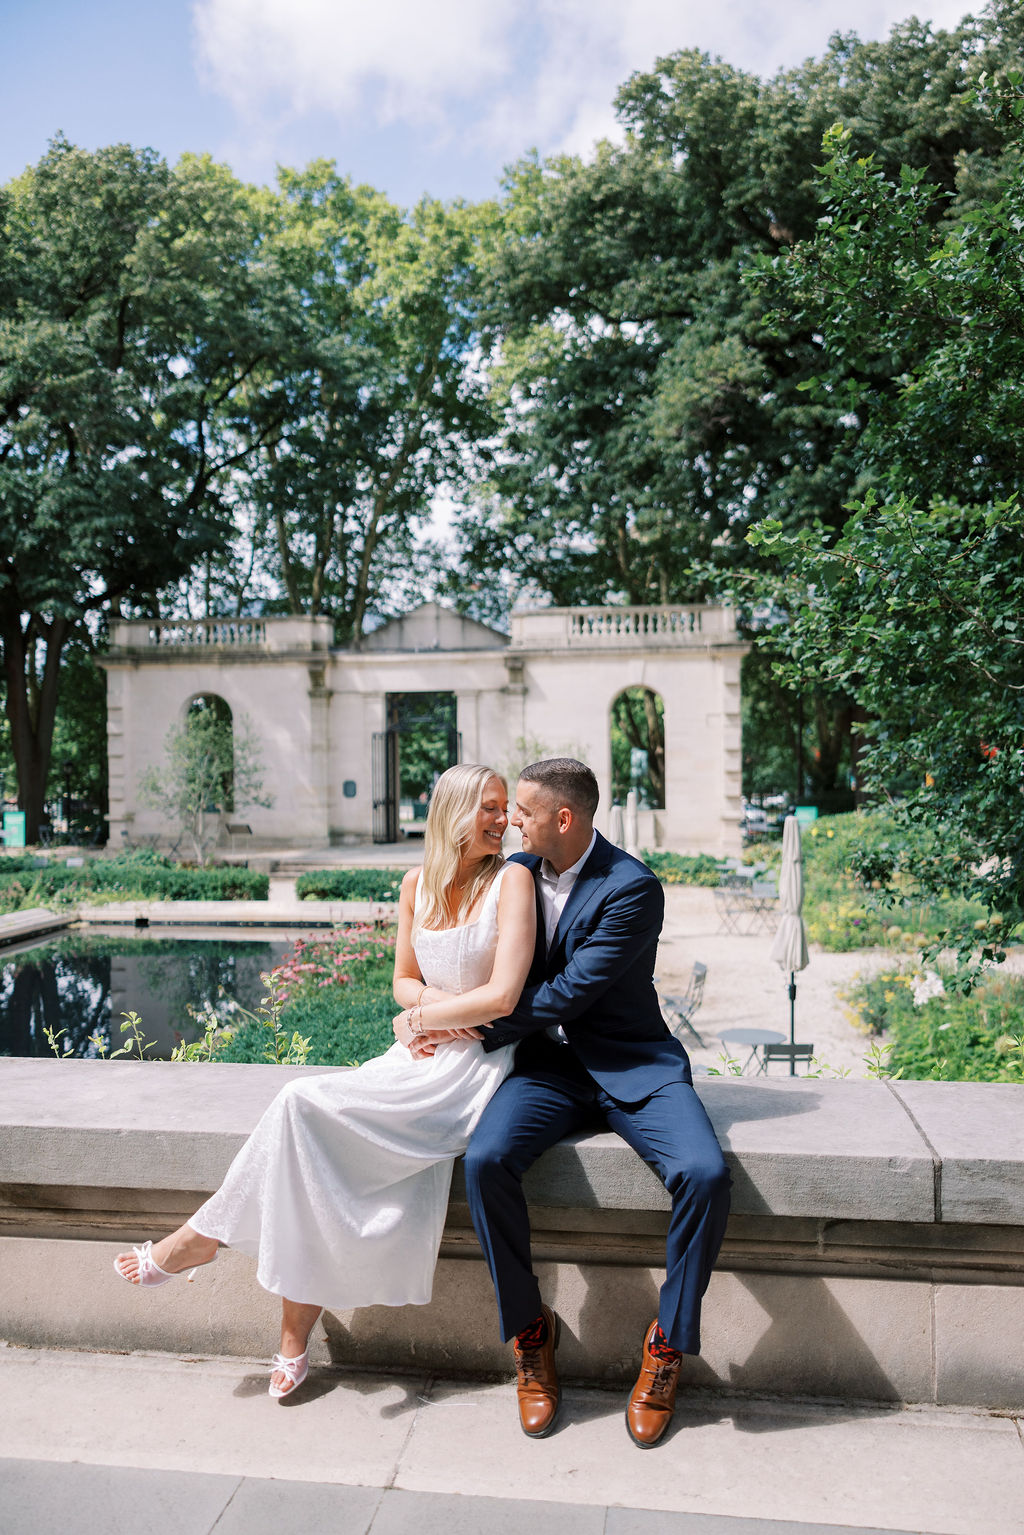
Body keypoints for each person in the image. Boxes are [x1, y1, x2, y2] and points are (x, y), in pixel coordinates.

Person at [113, 763, 536, 1399]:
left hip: (469, 1071)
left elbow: (502, 997)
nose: (504, 821)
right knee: (303, 1145)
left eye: (506, 809)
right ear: (453, 813)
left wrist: (422, 1017)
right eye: (491, 808)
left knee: (296, 1103)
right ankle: (279, 1326)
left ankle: (199, 1240)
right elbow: (401, 979)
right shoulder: (415, 884)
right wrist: (426, 1013)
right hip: (420, 1050)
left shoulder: (513, 882)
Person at [399, 758, 730, 1448]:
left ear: (564, 818)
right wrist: (428, 1008)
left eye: (522, 811)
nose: (512, 820)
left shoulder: (631, 887)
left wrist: (464, 1021)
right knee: (486, 1159)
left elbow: (566, 993)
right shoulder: (511, 874)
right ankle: (529, 1331)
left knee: (705, 1174)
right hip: (546, 1068)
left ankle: (667, 1344)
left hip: (635, 1065)